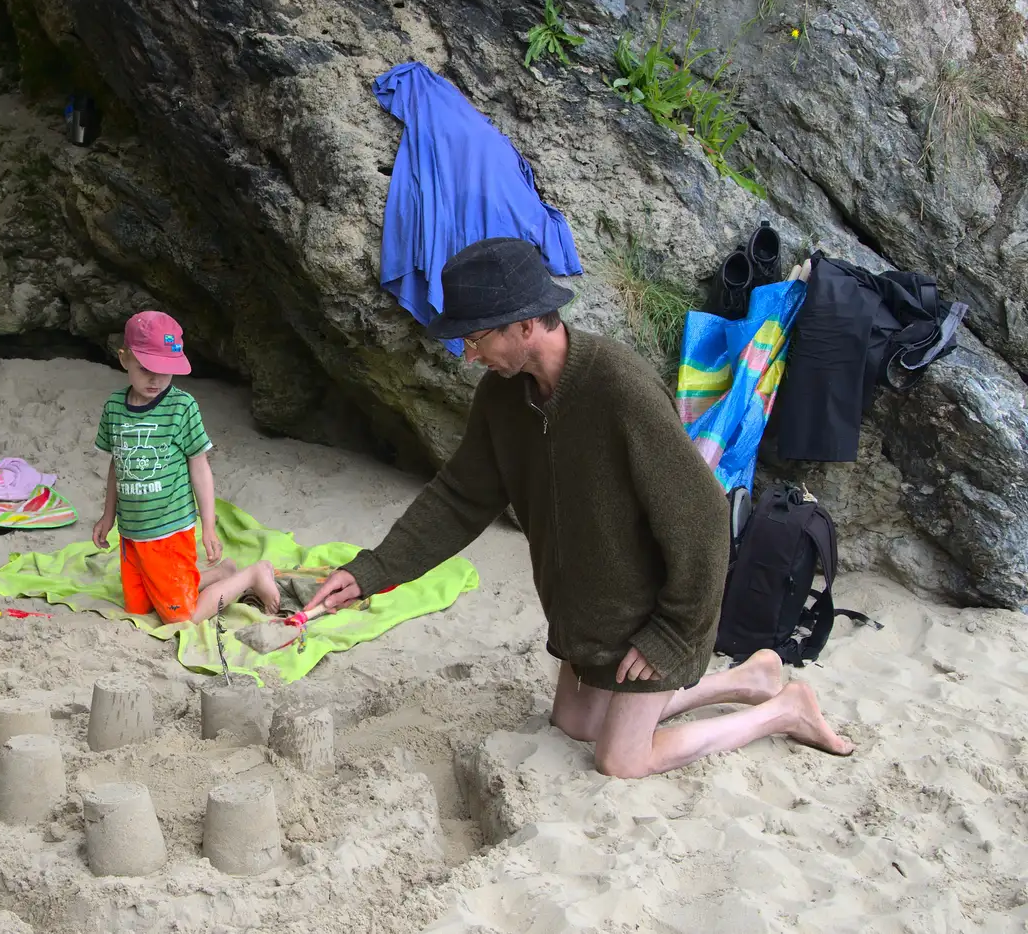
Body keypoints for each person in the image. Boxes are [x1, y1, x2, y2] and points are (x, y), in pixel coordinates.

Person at [305, 237, 854, 777]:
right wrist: (372, 570)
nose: (468, 356)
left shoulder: (618, 387)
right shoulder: (503, 397)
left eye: (475, 340)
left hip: (655, 615)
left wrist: (673, 634)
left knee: (620, 759)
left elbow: (705, 516)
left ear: (525, 326)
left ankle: (785, 710)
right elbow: (460, 498)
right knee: (574, 723)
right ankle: (748, 680)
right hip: (590, 618)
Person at [93, 311, 281, 622]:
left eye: (165, 371)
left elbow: (200, 466)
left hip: (169, 530)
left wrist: (208, 525)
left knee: (182, 617)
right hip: (132, 534)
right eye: (146, 369)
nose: (156, 380)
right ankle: (223, 572)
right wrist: (108, 515)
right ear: (124, 359)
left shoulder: (182, 407)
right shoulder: (114, 407)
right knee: (139, 609)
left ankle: (252, 575)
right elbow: (118, 461)